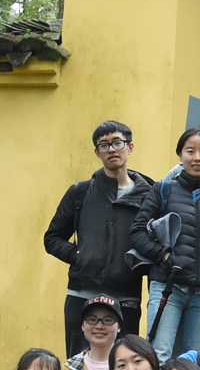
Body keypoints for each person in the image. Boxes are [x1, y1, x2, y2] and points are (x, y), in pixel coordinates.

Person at [47, 119, 151, 354]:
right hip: (82, 295)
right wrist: (79, 255)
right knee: (79, 366)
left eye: (117, 143)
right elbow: (52, 238)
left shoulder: (148, 195)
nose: (111, 149)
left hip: (126, 297)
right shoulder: (80, 192)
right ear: (97, 152)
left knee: (122, 365)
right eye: (104, 145)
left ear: (130, 147)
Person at [134, 126, 200, 360]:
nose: (197, 158)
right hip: (168, 287)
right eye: (190, 151)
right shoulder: (163, 190)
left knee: (193, 361)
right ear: (180, 154)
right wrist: (164, 256)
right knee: (159, 355)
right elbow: (137, 232)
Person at [62, 297, 123, 370]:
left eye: (108, 320)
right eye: (92, 320)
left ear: (119, 327)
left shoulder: (132, 368)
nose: (99, 326)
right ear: (82, 325)